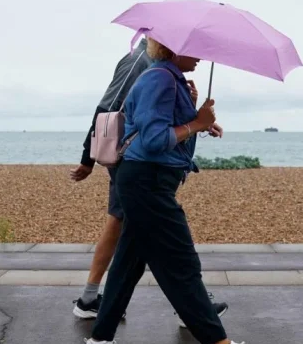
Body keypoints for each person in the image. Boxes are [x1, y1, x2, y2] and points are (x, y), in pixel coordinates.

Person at [80, 38, 274, 344]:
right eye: (194, 49)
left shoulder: (169, 78)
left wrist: (200, 123)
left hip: (144, 181)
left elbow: (157, 127)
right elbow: (154, 140)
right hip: (147, 183)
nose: (200, 56)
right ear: (171, 47)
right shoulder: (160, 79)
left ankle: (99, 342)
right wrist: (196, 123)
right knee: (180, 262)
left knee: (128, 264)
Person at [69, 37, 229, 327]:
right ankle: (198, 314)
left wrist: (195, 116)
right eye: (191, 45)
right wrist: (88, 158)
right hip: (133, 160)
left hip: (141, 161)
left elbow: (161, 116)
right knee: (146, 234)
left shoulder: (165, 72)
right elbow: (108, 106)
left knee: (133, 240)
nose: (201, 55)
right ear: (171, 41)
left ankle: (96, 315)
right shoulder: (142, 63)